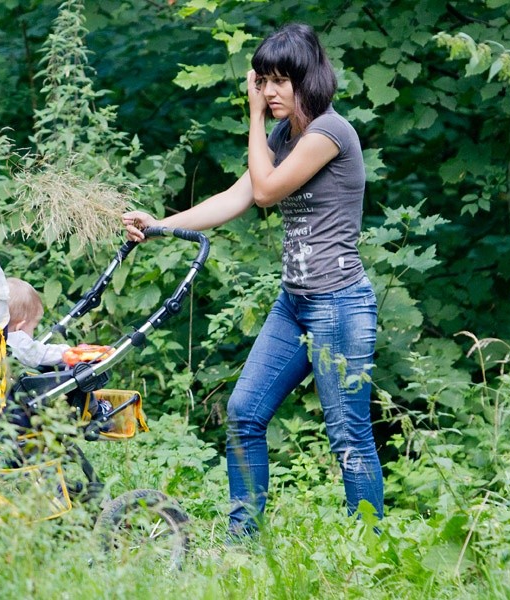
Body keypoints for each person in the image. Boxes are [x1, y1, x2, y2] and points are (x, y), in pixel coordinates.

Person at [123, 23, 383, 536]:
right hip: (295, 303)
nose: (267, 92)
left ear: (306, 79)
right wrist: (158, 226)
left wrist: (253, 116)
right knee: (243, 414)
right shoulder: (285, 137)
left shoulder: (331, 133)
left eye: (278, 81)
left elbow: (264, 193)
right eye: (261, 81)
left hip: (339, 305)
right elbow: (234, 198)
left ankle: (370, 550)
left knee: (349, 436)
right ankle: (244, 542)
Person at [5, 277, 72, 368]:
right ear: (19, 328)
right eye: (34, 328)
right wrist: (66, 351)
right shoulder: (17, 341)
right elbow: (41, 354)